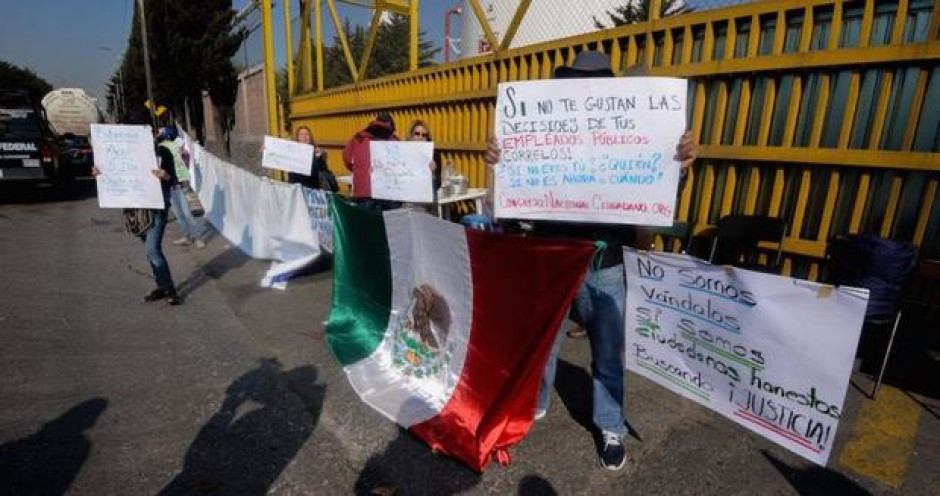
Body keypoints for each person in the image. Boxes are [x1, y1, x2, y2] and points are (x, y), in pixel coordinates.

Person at [483, 50, 697, 471]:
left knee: (609, 354)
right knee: (541, 346)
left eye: (596, 80)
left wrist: (681, 167)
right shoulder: (546, 130)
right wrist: (497, 166)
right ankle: (532, 405)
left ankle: (609, 424)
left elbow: (655, 200)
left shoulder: (626, 127)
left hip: (607, 265)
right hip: (553, 261)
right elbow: (499, 210)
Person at [92, 128, 182, 305]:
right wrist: (99, 173)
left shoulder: (162, 152)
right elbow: (113, 173)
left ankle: (170, 290)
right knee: (149, 252)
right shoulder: (123, 152)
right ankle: (161, 286)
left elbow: (174, 179)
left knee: (152, 249)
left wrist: (165, 175)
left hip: (156, 208)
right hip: (135, 211)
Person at [341, 112, 399, 211]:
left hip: (363, 192)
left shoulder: (359, 137)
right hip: (387, 192)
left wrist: (358, 170)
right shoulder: (393, 140)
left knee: (365, 224)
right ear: (390, 124)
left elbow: (347, 157)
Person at [159, 126, 205, 249]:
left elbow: (186, 160)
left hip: (181, 185)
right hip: (170, 186)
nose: (163, 141)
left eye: (164, 138)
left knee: (186, 212)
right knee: (178, 213)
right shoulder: (162, 149)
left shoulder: (178, 148)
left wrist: (182, 154)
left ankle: (197, 237)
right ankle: (186, 235)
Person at [287, 126, 337, 192]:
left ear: (310, 137)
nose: (304, 136)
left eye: (307, 134)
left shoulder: (317, 152)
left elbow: (323, 170)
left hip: (312, 188)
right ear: (297, 137)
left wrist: (318, 157)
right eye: (301, 134)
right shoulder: (292, 151)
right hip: (296, 188)